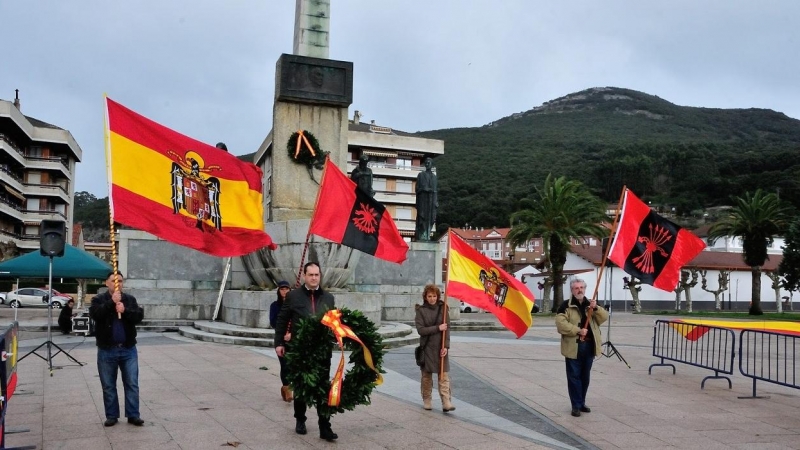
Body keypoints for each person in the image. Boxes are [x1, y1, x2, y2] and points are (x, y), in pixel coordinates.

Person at [274, 262, 338, 441]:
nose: (314, 278)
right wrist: (279, 342)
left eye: (317, 275)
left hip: (322, 351)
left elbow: (333, 322)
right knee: (301, 387)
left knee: (322, 388)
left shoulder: (328, 297)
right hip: (300, 350)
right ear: (304, 276)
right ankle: (300, 419)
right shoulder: (293, 296)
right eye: (310, 275)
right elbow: (282, 319)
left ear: (320, 276)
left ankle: (324, 426)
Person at [89, 272, 145, 427]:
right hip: (107, 349)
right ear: (106, 283)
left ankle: (133, 414)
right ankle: (112, 415)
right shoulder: (99, 299)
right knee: (108, 385)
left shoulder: (129, 299)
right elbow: (95, 314)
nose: (117, 283)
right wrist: (110, 304)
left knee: (132, 383)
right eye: (113, 281)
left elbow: (139, 316)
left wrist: (125, 310)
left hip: (128, 349)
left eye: (120, 281)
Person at [555, 278, 608, 417]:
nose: (579, 290)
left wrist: (596, 308)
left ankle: (582, 402)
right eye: (576, 288)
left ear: (585, 289)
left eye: (581, 287)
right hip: (574, 346)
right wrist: (577, 330)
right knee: (574, 377)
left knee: (585, 377)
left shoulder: (590, 304)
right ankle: (576, 405)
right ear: (572, 290)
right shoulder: (566, 305)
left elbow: (604, 318)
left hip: (589, 346)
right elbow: (560, 324)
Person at [414, 284, 455, 412]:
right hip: (427, 348)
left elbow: (447, 330)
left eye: (434, 296)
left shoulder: (443, 309)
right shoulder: (421, 311)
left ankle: (446, 401)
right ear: (425, 297)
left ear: (438, 296)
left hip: (440, 347)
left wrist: (446, 347)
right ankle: (427, 399)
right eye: (429, 296)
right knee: (426, 377)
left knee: (443, 376)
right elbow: (421, 330)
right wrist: (437, 328)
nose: (432, 299)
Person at [269, 280, 293, 403]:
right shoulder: (275, 306)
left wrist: (292, 332)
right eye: (282, 289)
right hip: (281, 339)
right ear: (278, 291)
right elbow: (273, 322)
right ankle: (287, 388)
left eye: (286, 289)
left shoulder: (294, 304)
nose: (284, 291)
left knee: (293, 365)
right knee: (284, 365)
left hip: (293, 338)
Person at [415, 157, 438, 241]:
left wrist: (436, 201)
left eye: (429, 162)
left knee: (431, 218)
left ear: (432, 164)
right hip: (423, 200)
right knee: (422, 217)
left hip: (432, 201)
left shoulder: (434, 177)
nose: (427, 164)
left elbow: (435, 191)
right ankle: (422, 235)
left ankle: (428, 234)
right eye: (426, 163)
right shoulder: (421, 175)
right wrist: (424, 189)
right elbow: (417, 189)